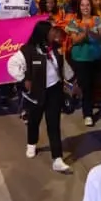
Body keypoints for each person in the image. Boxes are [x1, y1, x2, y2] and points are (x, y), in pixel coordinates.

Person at [8, 19, 74, 174]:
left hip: (54, 91)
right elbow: (11, 65)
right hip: (36, 93)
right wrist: (24, 79)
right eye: (51, 32)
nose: (54, 34)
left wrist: (72, 81)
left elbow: (64, 66)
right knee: (34, 121)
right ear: (43, 34)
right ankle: (31, 143)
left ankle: (57, 159)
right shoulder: (28, 50)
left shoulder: (55, 48)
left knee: (53, 124)